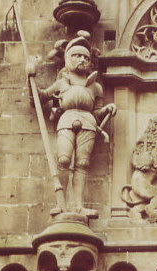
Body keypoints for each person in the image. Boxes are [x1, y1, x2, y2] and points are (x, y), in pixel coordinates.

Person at [27, 34, 116, 216]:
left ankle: (78, 205)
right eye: (77, 56)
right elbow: (39, 98)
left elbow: (96, 113)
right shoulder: (61, 83)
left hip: (88, 123)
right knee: (63, 160)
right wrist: (30, 78)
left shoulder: (95, 87)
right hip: (66, 120)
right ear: (68, 58)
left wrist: (107, 109)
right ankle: (61, 204)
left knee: (82, 164)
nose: (82, 59)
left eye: (86, 57)